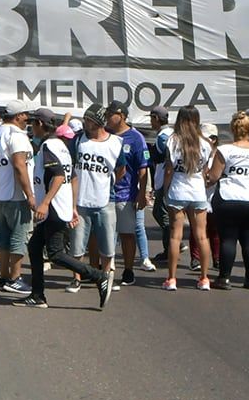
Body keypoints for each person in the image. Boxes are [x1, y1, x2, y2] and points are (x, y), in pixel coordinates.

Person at [14, 111, 113, 309]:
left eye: (33, 123)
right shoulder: (62, 146)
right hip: (60, 206)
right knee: (34, 247)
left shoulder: (49, 145)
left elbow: (59, 176)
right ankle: (37, 295)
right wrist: (73, 206)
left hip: (54, 209)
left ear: (40, 124)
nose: (31, 127)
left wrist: (45, 203)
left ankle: (99, 276)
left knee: (56, 253)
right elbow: (73, 177)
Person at [208, 110, 249, 289]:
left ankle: (224, 278)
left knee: (228, 238)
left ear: (233, 130)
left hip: (229, 197)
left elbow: (214, 176)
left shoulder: (225, 150)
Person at [70, 103, 125, 290]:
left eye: (89, 120)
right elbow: (71, 169)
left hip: (105, 199)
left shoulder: (116, 143)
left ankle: (106, 276)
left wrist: (108, 184)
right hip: (80, 200)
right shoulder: (78, 141)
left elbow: (121, 169)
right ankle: (76, 277)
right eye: (85, 119)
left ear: (99, 122)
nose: (86, 122)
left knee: (108, 243)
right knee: (77, 244)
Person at [160, 105, 215, 290]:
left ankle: (171, 279)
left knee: (175, 237)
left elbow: (168, 169)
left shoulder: (173, 141)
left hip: (178, 189)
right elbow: (205, 170)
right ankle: (204, 278)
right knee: (202, 235)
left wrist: (165, 191)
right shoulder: (205, 143)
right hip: (198, 190)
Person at [0, 100, 36, 294]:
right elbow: (19, 165)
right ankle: (15, 278)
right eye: (25, 115)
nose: (28, 119)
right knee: (19, 237)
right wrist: (30, 194)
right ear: (17, 116)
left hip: (0, 193)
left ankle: (4, 276)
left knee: (3, 237)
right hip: (16, 195)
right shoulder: (16, 135)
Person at [106, 102, 153, 285]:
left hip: (126, 195)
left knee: (127, 234)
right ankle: (105, 269)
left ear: (122, 116)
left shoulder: (136, 138)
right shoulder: (104, 134)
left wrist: (142, 194)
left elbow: (143, 169)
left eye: (112, 113)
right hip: (104, 194)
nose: (108, 117)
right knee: (104, 235)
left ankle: (128, 270)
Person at [149, 107, 178, 262]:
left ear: (156, 118)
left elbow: (167, 160)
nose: (150, 122)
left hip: (165, 179)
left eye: (151, 118)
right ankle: (173, 243)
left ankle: (171, 246)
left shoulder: (163, 137)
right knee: (163, 213)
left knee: (162, 214)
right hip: (168, 179)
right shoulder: (170, 133)